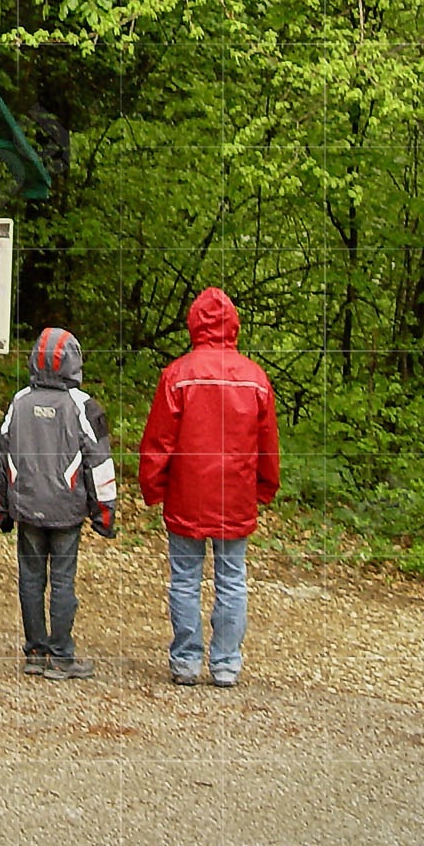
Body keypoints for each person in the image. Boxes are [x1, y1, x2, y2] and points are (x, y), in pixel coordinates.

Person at [138, 287, 279, 688]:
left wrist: (153, 486)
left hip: (187, 493)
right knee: (231, 577)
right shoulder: (254, 378)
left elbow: (159, 440)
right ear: (233, 324)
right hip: (234, 494)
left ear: (194, 323)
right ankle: (226, 664)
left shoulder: (178, 375)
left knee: (185, 577)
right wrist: (265, 487)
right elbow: (267, 442)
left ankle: (186, 661)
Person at [0, 327, 117, 680]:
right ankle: (62, 655)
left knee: (30, 579)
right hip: (66, 510)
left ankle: (35, 653)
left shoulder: (20, 402)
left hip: (27, 507)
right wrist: (105, 513)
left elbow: (0, 456)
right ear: (73, 362)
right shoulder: (83, 406)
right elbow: (100, 463)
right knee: (62, 580)